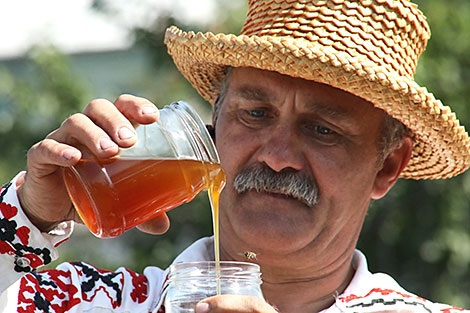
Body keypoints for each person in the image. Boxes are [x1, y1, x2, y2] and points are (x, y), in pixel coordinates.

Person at [0, 0, 468, 312]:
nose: (278, 156)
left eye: (323, 130)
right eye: (256, 114)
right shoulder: (97, 302)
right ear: (214, 127)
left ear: (387, 166)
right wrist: (29, 216)